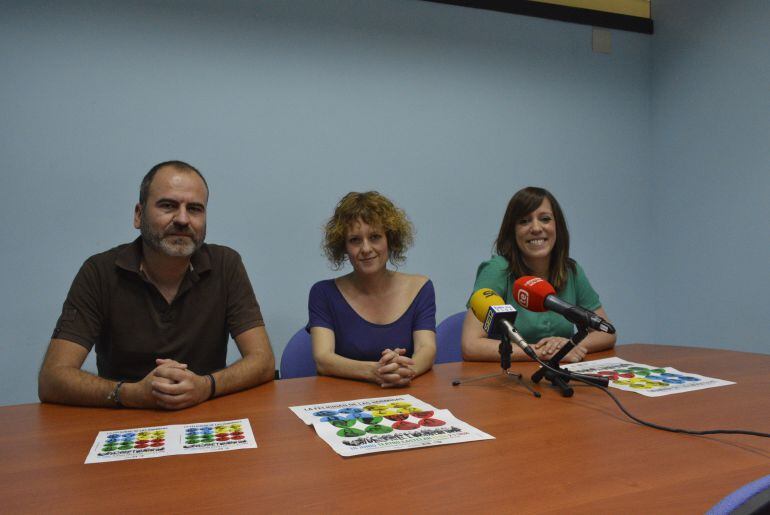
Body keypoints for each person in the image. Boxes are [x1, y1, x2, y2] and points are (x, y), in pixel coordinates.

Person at [38, 161, 275, 409]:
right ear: (139, 215)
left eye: (194, 209)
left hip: (204, 417)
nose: (183, 219)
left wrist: (206, 386)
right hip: (123, 420)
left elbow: (263, 360)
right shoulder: (99, 272)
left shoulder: (226, 265)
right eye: (168, 206)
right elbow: (52, 378)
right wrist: (132, 394)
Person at [461, 187, 616, 363]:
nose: (536, 228)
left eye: (545, 219)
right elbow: (471, 345)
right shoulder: (497, 270)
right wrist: (540, 353)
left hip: (558, 375)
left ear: (557, 226)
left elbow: (607, 332)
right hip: (511, 379)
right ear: (512, 231)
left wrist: (568, 345)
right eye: (524, 221)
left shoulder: (570, 270)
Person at [307, 191, 436, 387]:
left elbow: (426, 348)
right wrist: (375, 372)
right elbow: (323, 359)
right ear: (343, 247)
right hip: (345, 402)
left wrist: (405, 371)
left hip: (406, 396)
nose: (366, 248)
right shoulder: (323, 293)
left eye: (375, 237)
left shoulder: (420, 288)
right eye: (355, 240)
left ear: (390, 240)